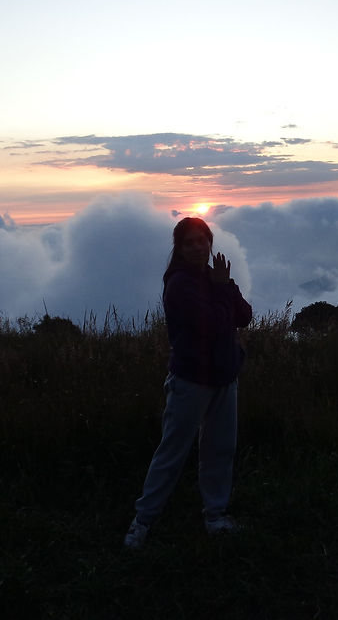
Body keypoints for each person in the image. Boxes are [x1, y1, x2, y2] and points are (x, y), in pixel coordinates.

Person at [124, 217, 253, 548]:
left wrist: (226, 285)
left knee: (219, 449)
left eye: (203, 240)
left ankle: (216, 516)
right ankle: (142, 523)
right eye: (190, 242)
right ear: (179, 249)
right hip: (191, 380)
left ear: (210, 243)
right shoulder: (180, 284)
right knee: (172, 451)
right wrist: (224, 289)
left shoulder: (214, 277)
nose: (198, 247)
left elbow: (244, 316)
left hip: (224, 377)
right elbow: (211, 324)